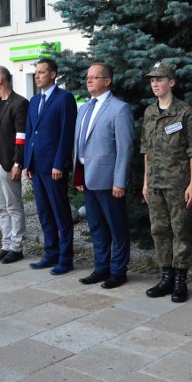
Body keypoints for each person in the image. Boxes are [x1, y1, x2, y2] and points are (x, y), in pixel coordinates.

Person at [140, 62, 192, 303]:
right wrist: (145, 181)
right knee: (159, 230)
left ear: (172, 82)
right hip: (155, 183)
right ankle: (165, 276)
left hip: (178, 183)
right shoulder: (149, 112)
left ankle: (180, 281)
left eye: (160, 79)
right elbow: (146, 149)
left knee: (181, 231)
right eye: (152, 79)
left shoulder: (185, 112)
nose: (155, 83)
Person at [73, 63, 135, 289]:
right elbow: (80, 145)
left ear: (107, 81)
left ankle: (118, 271)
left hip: (109, 181)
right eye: (87, 76)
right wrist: (78, 176)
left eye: (94, 77)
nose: (89, 80)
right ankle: (101, 268)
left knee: (116, 228)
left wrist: (120, 181)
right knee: (96, 226)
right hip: (88, 179)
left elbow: (125, 147)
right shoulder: (84, 108)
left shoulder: (120, 109)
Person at [25, 58, 78, 275]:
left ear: (53, 75)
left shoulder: (64, 98)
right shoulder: (34, 100)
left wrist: (60, 163)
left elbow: (67, 134)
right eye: (36, 73)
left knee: (60, 213)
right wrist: (28, 162)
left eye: (41, 72)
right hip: (37, 166)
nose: (37, 76)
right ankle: (50, 253)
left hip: (54, 167)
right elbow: (30, 133)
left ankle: (66, 258)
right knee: (44, 212)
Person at [0, 66, 29, 264]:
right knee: (0, 208)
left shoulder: (19, 103)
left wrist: (18, 162)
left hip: (7, 163)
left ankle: (17, 247)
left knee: (13, 206)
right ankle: (6, 244)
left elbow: (21, 136)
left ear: (0, 80)